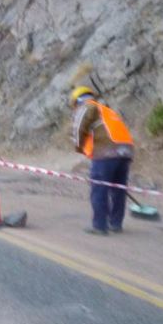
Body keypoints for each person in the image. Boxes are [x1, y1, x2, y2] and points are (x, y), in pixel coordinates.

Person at [70, 86, 134, 235]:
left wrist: (78, 147)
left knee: (99, 189)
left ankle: (99, 226)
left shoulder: (87, 106)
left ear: (77, 101)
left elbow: (79, 128)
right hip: (125, 152)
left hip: (106, 152)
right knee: (118, 189)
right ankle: (115, 224)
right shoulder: (107, 110)